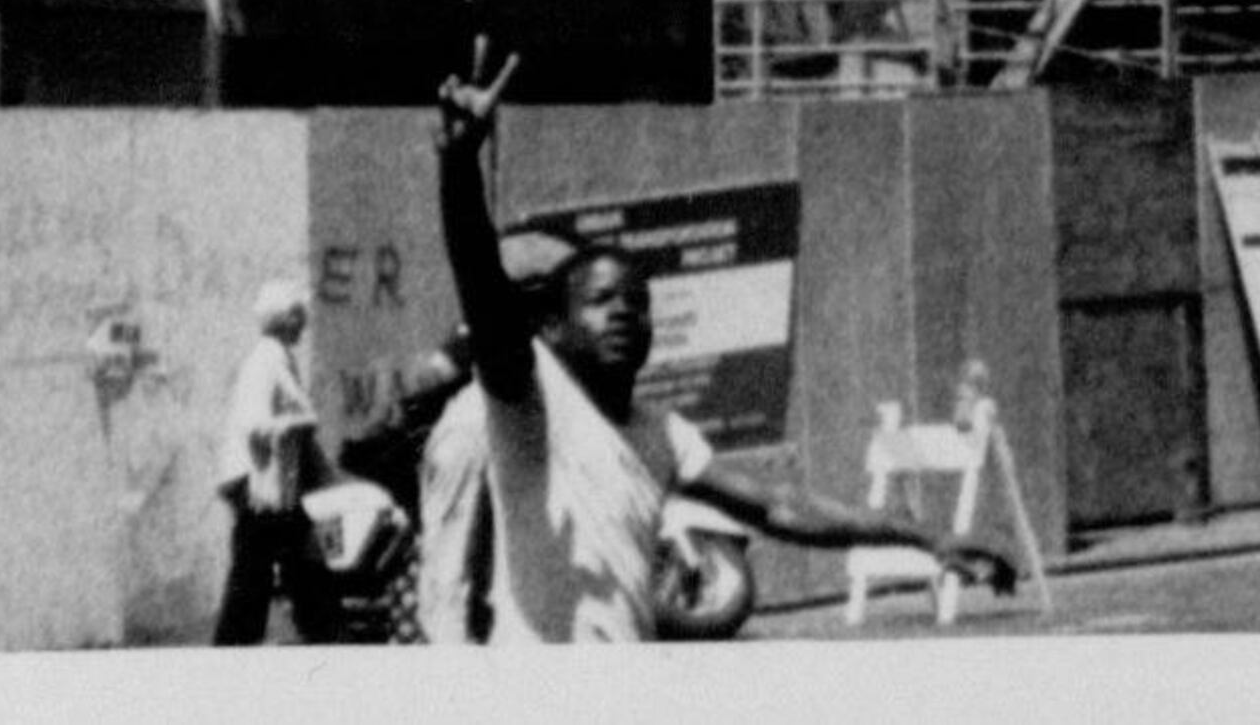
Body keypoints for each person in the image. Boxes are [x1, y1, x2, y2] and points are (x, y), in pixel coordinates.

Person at [428, 43, 999, 642]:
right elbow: (482, 288)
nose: (624, 313)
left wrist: (927, 537)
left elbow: (779, 506)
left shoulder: (661, 435)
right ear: (551, 327)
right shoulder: (530, 403)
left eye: (638, 302)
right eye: (600, 301)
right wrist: (460, 165)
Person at [210, 279, 322, 644]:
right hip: (260, 484)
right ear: (288, 318)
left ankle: (323, 635)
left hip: (270, 484)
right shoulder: (268, 360)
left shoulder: (275, 357)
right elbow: (256, 424)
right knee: (259, 574)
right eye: (300, 316)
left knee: (272, 571)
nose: (304, 324)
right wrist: (299, 422)